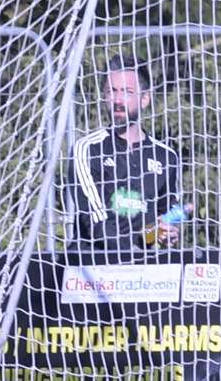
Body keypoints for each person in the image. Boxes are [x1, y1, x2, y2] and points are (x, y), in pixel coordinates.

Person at [62, 54, 183, 257]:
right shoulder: (86, 149)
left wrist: (164, 234)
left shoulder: (166, 157)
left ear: (145, 98)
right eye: (111, 92)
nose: (117, 100)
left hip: (143, 275)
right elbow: (96, 224)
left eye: (126, 92)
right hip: (91, 271)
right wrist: (134, 251)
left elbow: (159, 224)